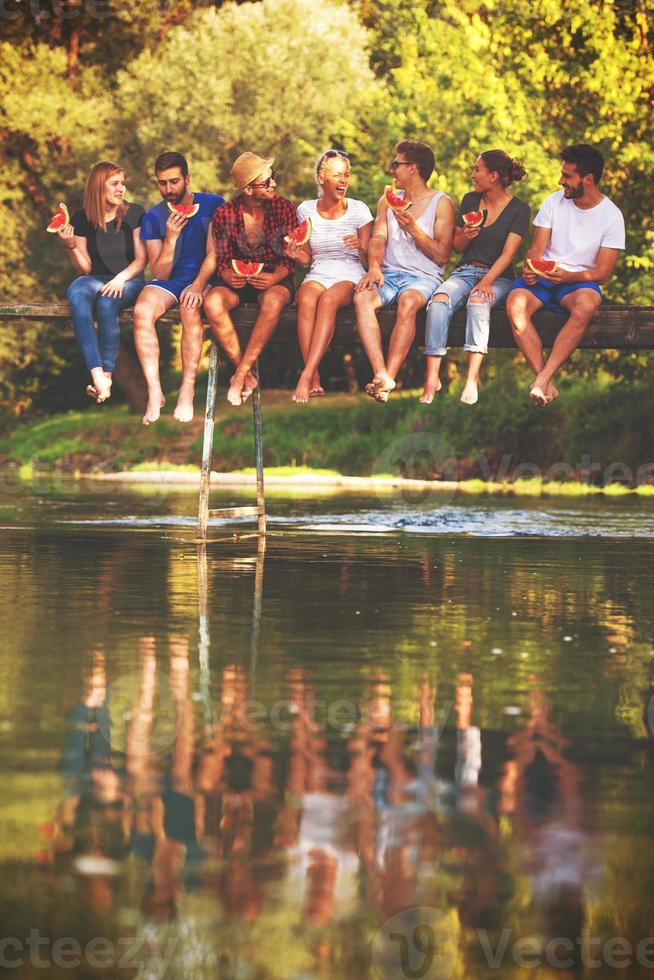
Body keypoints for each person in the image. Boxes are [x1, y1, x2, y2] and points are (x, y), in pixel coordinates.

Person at [506, 143, 625, 405]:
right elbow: (536, 250)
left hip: (578, 282)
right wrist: (530, 268)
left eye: (567, 176)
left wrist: (570, 277)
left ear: (588, 179)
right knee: (515, 304)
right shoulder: (553, 202)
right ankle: (545, 381)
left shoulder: (611, 216)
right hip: (543, 278)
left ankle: (542, 378)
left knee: (586, 305)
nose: (561, 181)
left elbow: (603, 273)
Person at [420, 150, 530, 406]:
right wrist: (464, 236)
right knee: (437, 301)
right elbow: (457, 246)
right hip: (465, 271)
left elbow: (508, 254)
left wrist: (487, 281)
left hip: (499, 276)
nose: (472, 174)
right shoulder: (470, 200)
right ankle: (432, 376)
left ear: (493, 176)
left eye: (477, 169)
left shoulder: (519, 209)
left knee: (478, 304)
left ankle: (472, 378)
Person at [353, 140, 455, 402]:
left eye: (396, 165)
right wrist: (374, 267)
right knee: (362, 298)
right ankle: (381, 374)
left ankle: (390, 375)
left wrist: (414, 229)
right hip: (387, 275)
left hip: (424, 278)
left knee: (408, 302)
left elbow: (442, 255)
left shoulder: (441, 203)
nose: (392, 170)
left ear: (413, 169)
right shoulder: (387, 201)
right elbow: (378, 238)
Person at [135, 151, 224, 425]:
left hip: (206, 279)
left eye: (173, 181)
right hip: (170, 282)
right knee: (141, 310)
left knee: (189, 308)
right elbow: (159, 272)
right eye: (162, 183)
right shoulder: (152, 218)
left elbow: (218, 253)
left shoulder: (214, 205)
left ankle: (186, 390)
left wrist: (199, 286)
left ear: (187, 178)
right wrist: (171, 239)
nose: (168, 189)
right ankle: (154, 391)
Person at [202, 152, 296, 406]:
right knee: (212, 303)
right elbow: (222, 259)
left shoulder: (284, 207)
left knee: (274, 302)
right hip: (238, 283)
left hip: (275, 278)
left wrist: (275, 276)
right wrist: (227, 274)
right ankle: (244, 371)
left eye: (272, 179)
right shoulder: (225, 214)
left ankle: (240, 375)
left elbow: (290, 258)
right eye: (266, 182)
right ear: (247, 189)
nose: (273, 185)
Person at [55, 160, 146, 404]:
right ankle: (97, 374)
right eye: (114, 184)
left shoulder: (134, 213)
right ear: (98, 186)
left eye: (123, 184)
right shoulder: (81, 218)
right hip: (96, 280)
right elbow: (85, 268)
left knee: (107, 301)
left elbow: (141, 260)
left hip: (130, 280)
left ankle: (106, 376)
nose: (121, 189)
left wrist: (120, 278)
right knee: (76, 290)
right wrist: (70, 245)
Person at [286, 149, 373, 403]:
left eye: (346, 175)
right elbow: (308, 257)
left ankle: (307, 373)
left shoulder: (359, 210)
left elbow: (369, 262)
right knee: (305, 299)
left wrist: (362, 247)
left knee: (328, 301)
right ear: (321, 178)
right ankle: (314, 378)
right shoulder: (305, 210)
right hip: (320, 270)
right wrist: (295, 253)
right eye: (337, 175)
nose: (344, 180)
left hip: (350, 271)